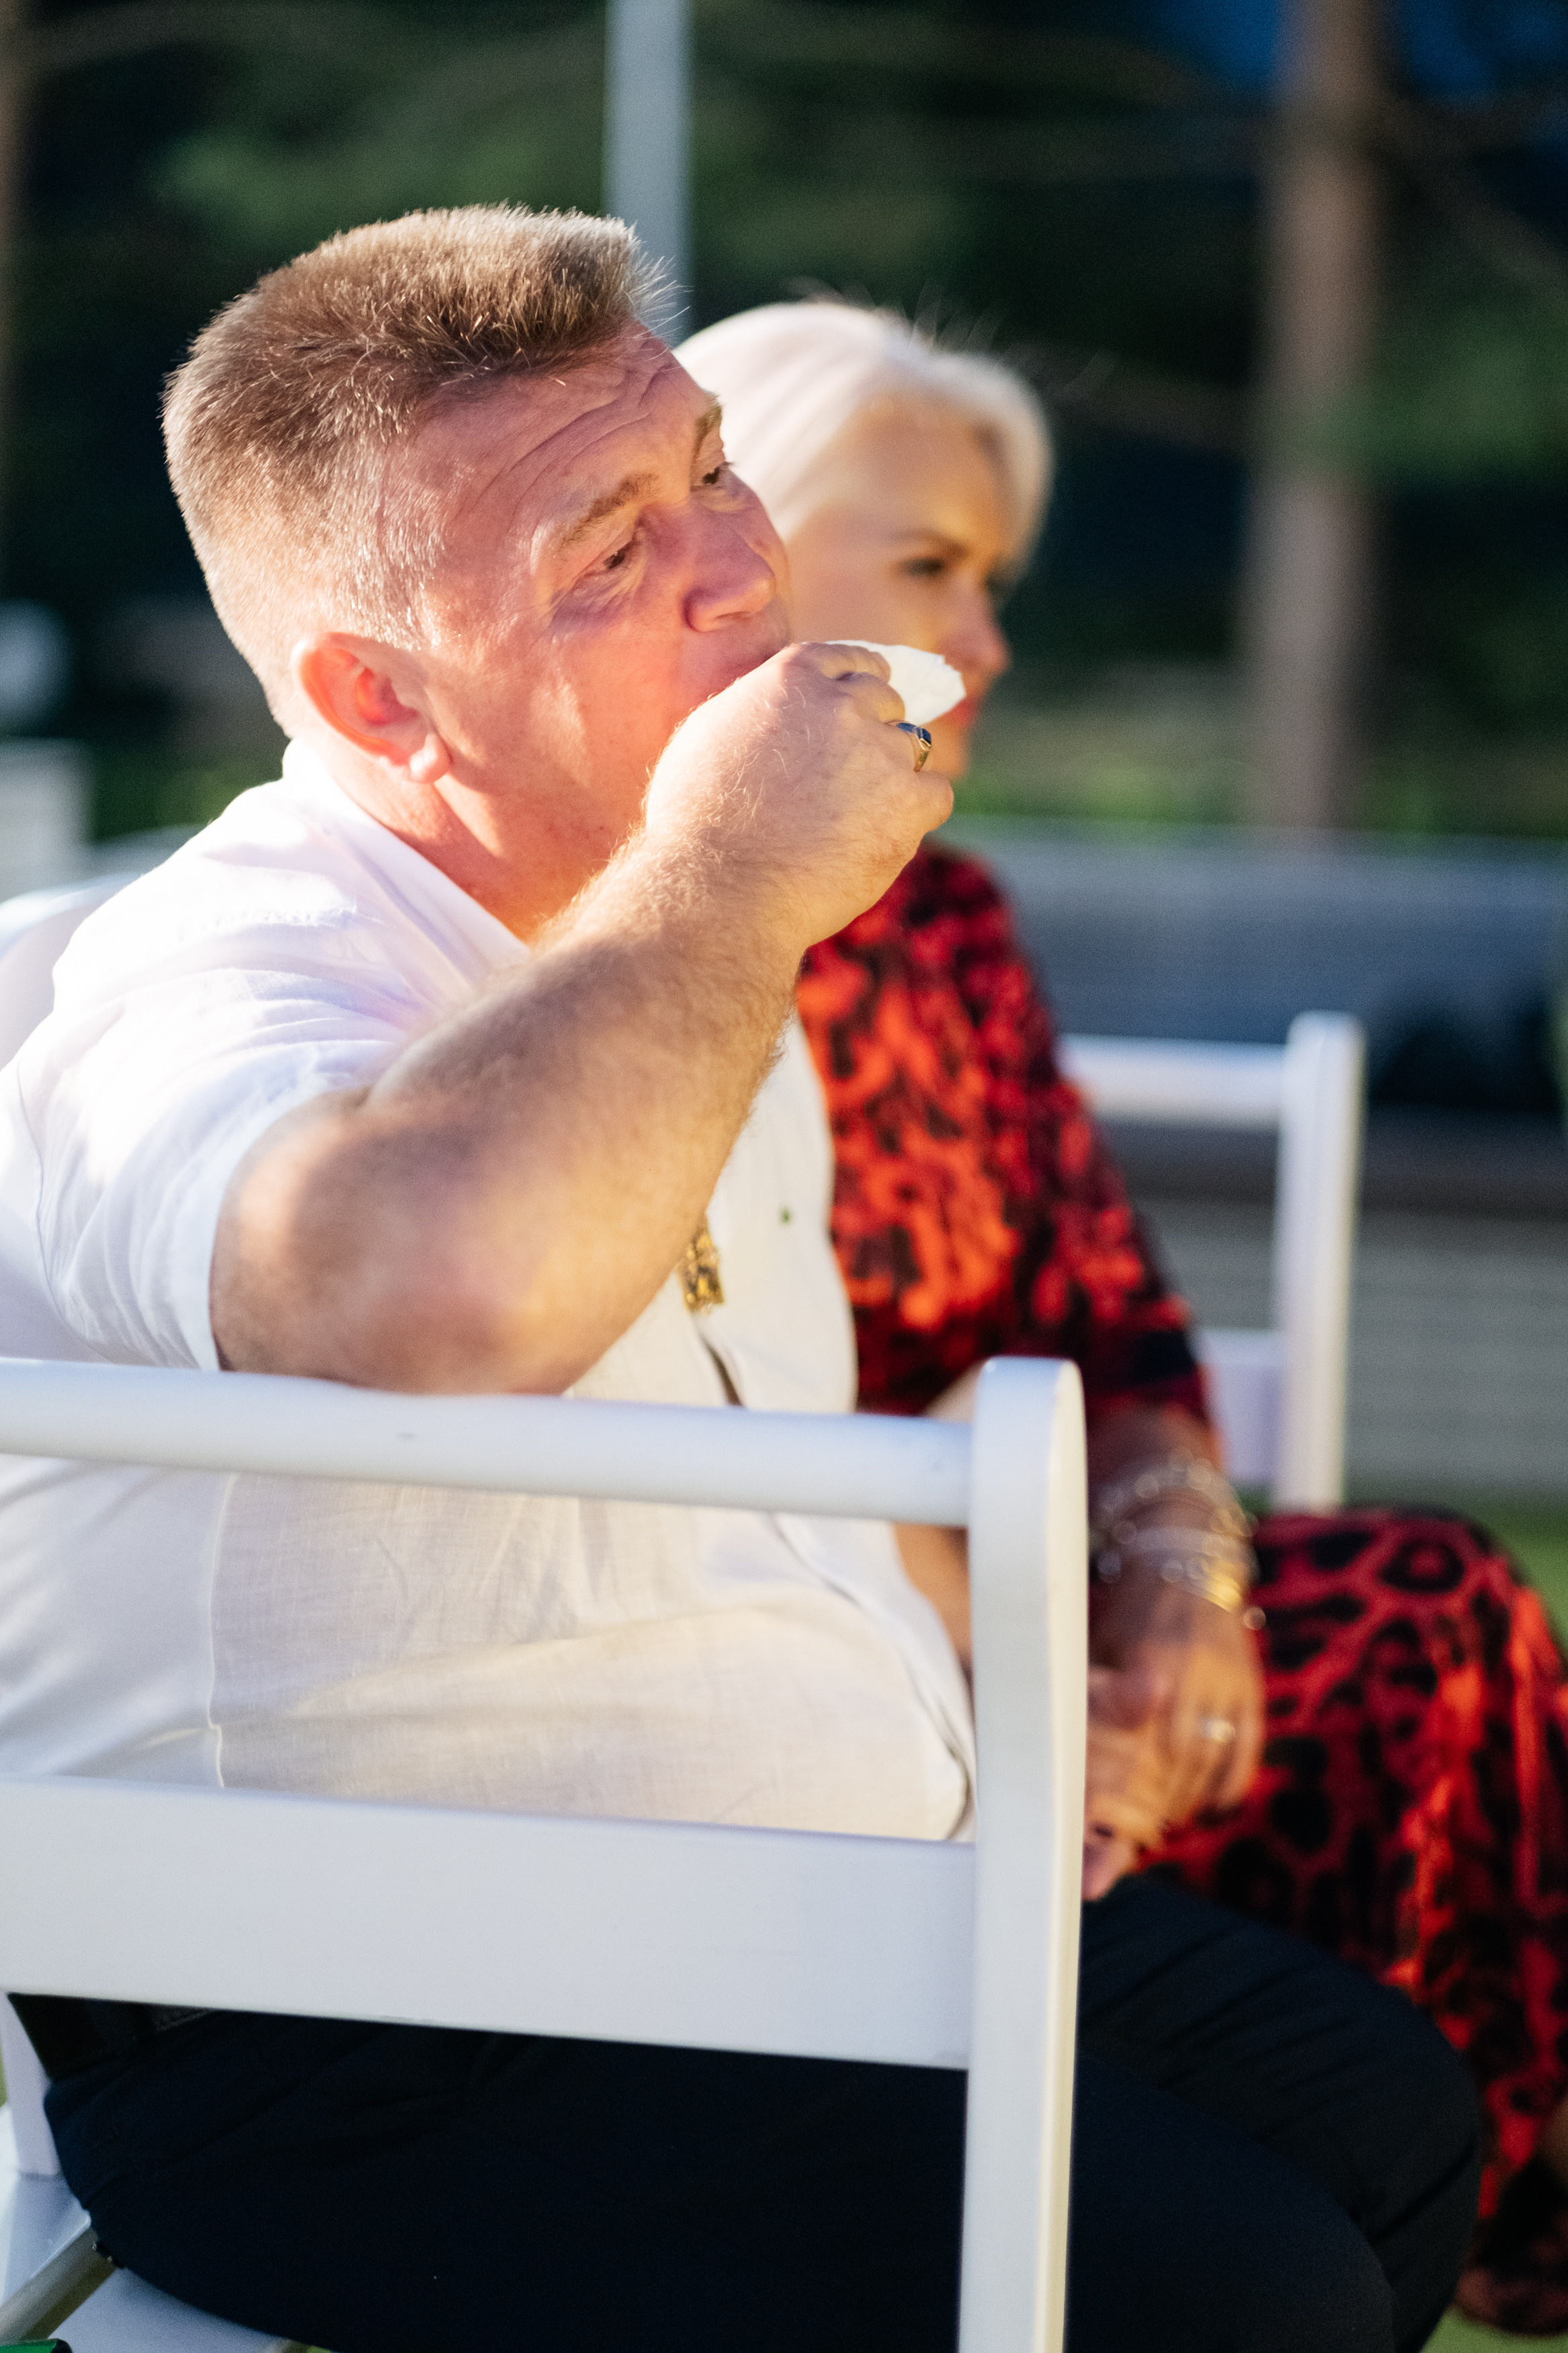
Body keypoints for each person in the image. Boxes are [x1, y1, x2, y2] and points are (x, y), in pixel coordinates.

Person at [0, 210, 1479, 2353]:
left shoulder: (663, 928)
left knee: (1384, 2120)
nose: (735, 566)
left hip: (756, 1903)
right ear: (377, 697)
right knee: (1242, 2289)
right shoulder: (220, 973)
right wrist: (731, 874)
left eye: (711, 468)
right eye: (611, 548)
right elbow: (422, 1289)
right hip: (360, 2009)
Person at [678, 293, 1568, 2335]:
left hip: (1045, 1617)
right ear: (744, 552)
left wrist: (1182, 1592)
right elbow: (712, 1413)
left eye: (995, 582)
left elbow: (1119, 1326)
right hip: (828, 1651)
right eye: (933, 567)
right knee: (1423, 1636)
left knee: (1424, 1612)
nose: (987, 643)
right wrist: (1027, 1669)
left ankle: (1355, 2235)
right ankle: (1331, 2232)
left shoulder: (942, 917)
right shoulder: (659, 935)